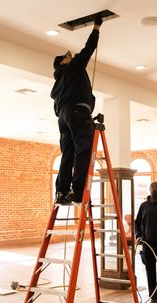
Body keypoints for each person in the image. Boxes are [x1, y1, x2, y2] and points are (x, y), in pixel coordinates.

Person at [51, 15, 103, 205]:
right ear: (63, 63)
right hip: (76, 113)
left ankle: (61, 192)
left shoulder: (58, 84)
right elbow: (89, 49)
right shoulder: (73, 68)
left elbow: (58, 108)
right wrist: (96, 27)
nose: (70, 56)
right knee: (84, 150)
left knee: (68, 153)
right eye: (66, 57)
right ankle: (78, 191)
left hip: (63, 117)